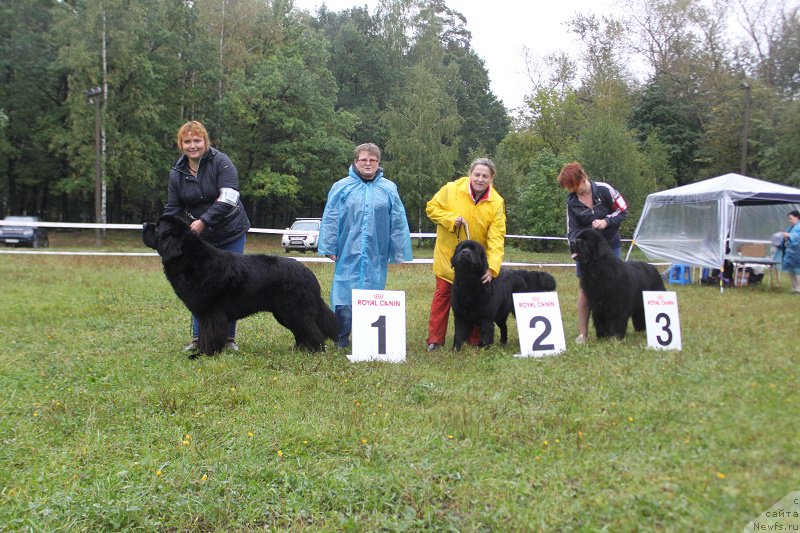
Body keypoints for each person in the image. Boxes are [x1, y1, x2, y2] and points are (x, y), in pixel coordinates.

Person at [163, 120, 251, 352]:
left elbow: (230, 197)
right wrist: (167, 230)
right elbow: (173, 208)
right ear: (181, 144)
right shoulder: (177, 172)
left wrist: (204, 221)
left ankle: (228, 338)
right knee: (198, 287)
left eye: (197, 140)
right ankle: (199, 338)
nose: (193, 145)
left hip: (230, 231)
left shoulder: (221, 162)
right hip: (199, 238)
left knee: (229, 286)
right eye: (187, 141)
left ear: (205, 142)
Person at [318, 143, 413, 349]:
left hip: (375, 252)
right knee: (343, 293)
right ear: (356, 162)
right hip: (347, 251)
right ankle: (341, 336)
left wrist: (398, 250)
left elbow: (397, 220)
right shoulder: (341, 186)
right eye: (364, 160)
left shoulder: (388, 188)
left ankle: (367, 338)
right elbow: (331, 217)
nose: (368, 163)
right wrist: (330, 246)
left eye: (373, 160)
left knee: (372, 291)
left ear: (378, 163)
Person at [425, 158, 506, 351]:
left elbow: (497, 237)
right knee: (443, 295)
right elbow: (431, 208)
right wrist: (451, 219)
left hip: (476, 264)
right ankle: (435, 340)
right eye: (476, 174)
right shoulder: (451, 189)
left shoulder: (497, 202)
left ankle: (475, 338)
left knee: (479, 300)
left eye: (485, 176)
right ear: (470, 174)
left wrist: (492, 267)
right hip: (449, 257)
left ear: (491, 178)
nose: (480, 179)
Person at [557, 161, 629, 344]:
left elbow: (623, 210)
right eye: (569, 188)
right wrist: (576, 246)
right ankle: (583, 333)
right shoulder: (571, 202)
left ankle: (615, 329)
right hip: (586, 253)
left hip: (610, 246)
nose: (573, 190)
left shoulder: (605, 190)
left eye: (574, 186)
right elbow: (571, 230)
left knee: (614, 287)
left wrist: (606, 221)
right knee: (586, 290)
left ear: (583, 177)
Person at [778, 209, 800, 293]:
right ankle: (794, 288)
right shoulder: (791, 227)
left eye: (791, 219)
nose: (790, 221)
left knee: (798, 271)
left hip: (798, 252)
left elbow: (797, 237)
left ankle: (798, 289)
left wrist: (789, 235)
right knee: (791, 270)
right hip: (790, 252)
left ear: (797, 217)